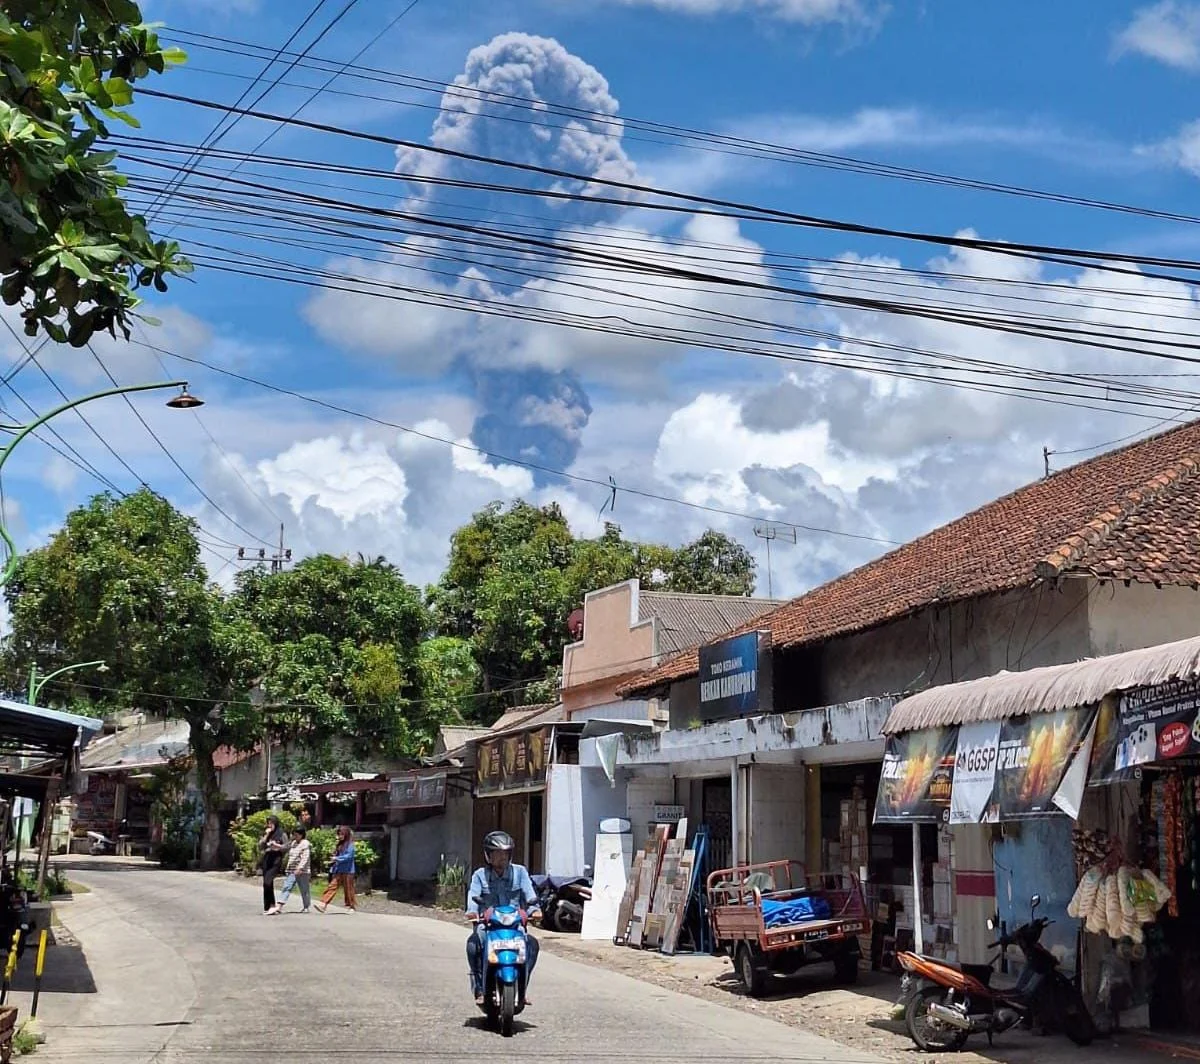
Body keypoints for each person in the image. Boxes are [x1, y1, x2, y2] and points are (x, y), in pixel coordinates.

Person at [466, 830, 542, 1007]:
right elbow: (473, 896)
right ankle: (479, 988)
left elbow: (529, 894)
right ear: (488, 855)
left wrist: (534, 910)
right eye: (497, 853)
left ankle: (521, 989)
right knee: (473, 945)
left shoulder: (520, 872)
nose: (502, 857)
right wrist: (472, 912)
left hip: (514, 926)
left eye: (505, 853)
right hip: (489, 926)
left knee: (531, 945)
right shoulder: (479, 875)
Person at [269, 827, 311, 915]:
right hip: (292, 870)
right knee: (286, 887)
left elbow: (305, 857)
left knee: (304, 890)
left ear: (301, 835)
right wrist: (275, 846)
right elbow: (285, 847)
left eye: (296, 834)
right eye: (294, 834)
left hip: (302, 871)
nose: (294, 836)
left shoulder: (305, 844)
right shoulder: (294, 843)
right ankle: (279, 906)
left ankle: (306, 906)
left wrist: (300, 868)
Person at [316, 826, 357, 913]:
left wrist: (337, 858)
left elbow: (349, 856)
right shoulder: (339, 844)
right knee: (332, 886)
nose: (340, 836)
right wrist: (333, 857)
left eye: (342, 834)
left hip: (348, 870)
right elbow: (337, 854)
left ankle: (351, 906)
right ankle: (323, 904)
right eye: (339, 834)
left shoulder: (350, 844)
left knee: (348, 889)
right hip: (338, 869)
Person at [257, 815, 288, 915]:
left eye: (271, 823)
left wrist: (277, 846)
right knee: (267, 884)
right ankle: (269, 906)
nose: (270, 825)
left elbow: (287, 847)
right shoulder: (267, 834)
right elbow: (260, 846)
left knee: (268, 881)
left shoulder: (281, 834)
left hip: (276, 858)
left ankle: (272, 906)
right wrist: (266, 836)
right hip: (267, 858)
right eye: (268, 823)